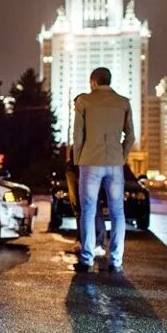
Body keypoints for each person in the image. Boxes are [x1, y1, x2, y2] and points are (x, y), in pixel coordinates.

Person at [72, 67, 135, 273]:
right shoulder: (124, 102)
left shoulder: (84, 102)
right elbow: (131, 136)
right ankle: (116, 261)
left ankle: (87, 259)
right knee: (118, 213)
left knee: (88, 211)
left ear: (93, 82)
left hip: (90, 161)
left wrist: (78, 158)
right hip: (115, 163)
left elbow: (78, 135)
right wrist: (122, 157)